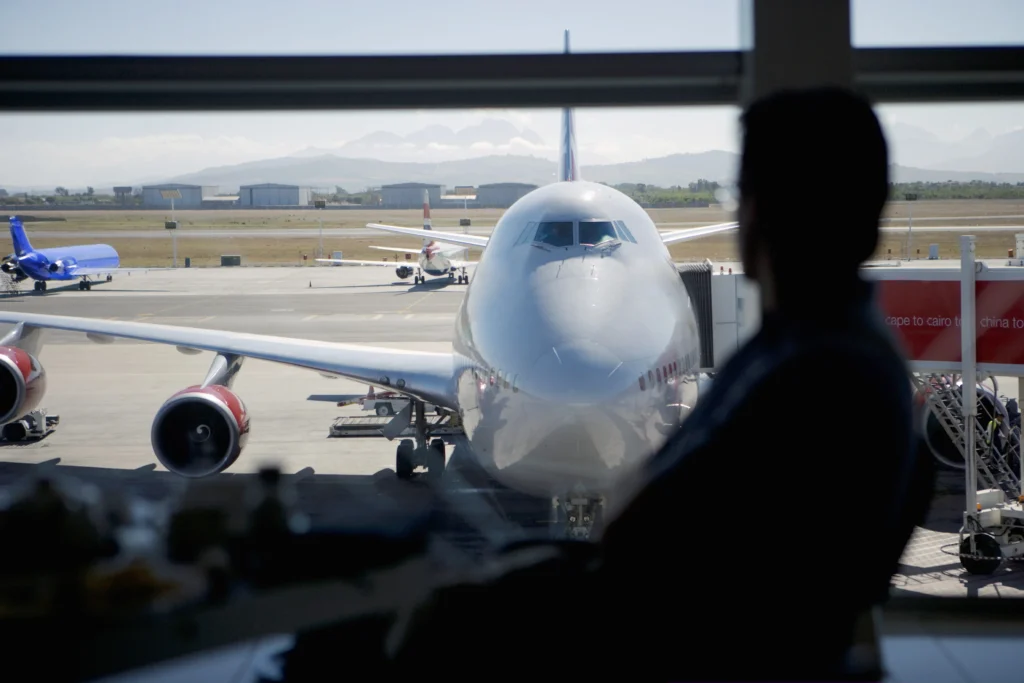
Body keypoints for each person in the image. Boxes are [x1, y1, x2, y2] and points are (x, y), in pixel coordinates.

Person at [302, 88, 937, 682]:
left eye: (750, 197)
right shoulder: (818, 349)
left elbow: (650, 546)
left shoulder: (819, 375)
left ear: (757, 216)